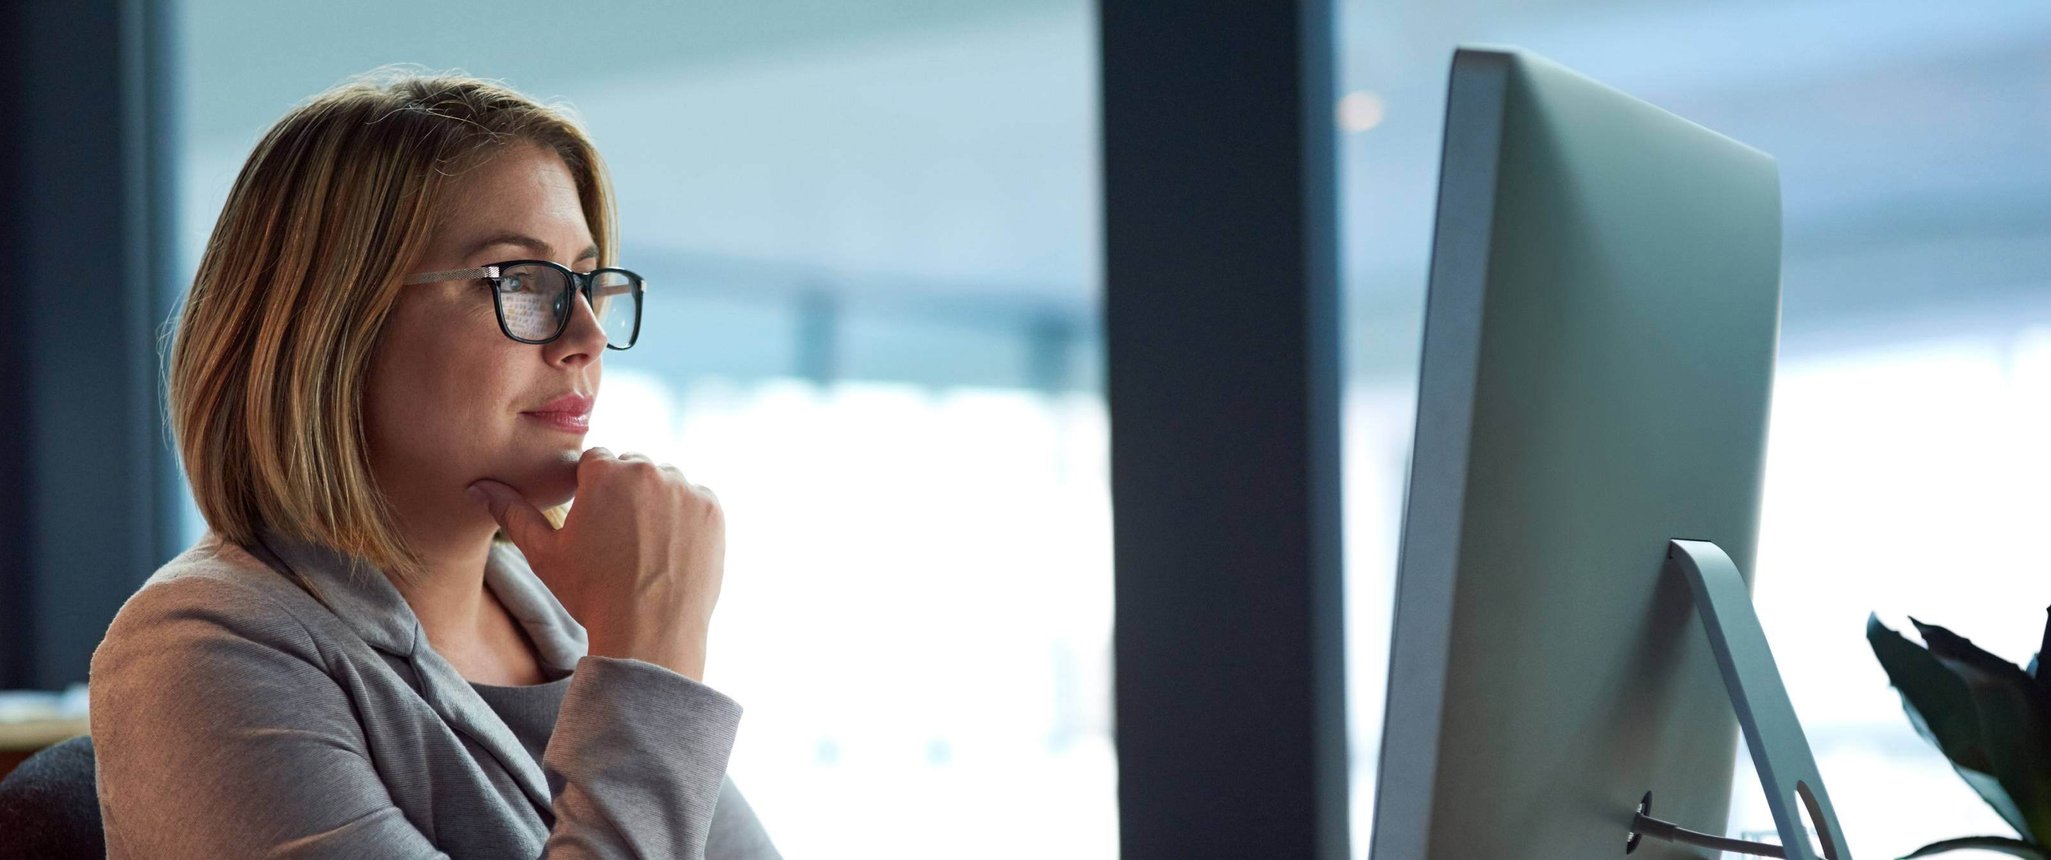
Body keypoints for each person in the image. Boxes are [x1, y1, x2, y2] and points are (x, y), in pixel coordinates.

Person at [87, 69, 779, 858]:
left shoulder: (557, 627)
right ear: (334, 322)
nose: (585, 335)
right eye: (520, 281)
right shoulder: (203, 653)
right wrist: (651, 664)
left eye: (587, 283)